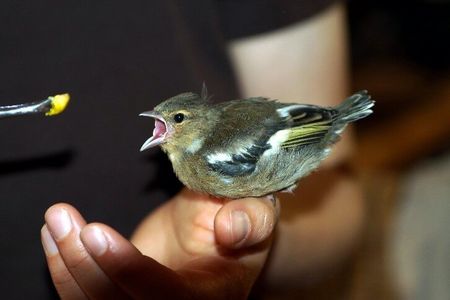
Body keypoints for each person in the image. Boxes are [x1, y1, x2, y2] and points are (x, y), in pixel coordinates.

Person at [0, 1, 364, 298]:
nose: (165, 126)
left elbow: (336, 184)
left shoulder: (209, 156)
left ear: (199, 123)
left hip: (302, 136)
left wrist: (250, 244)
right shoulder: (196, 159)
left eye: (177, 119)